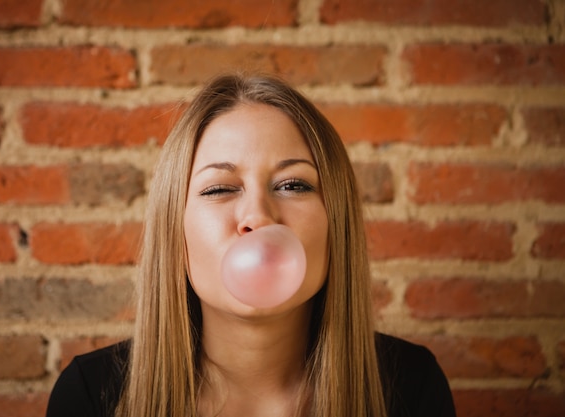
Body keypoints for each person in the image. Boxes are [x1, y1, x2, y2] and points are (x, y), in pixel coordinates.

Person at [46, 73, 456, 417]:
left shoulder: (411, 388)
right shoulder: (92, 397)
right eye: (220, 188)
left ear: (337, 223)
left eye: (293, 185)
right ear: (176, 228)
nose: (258, 217)